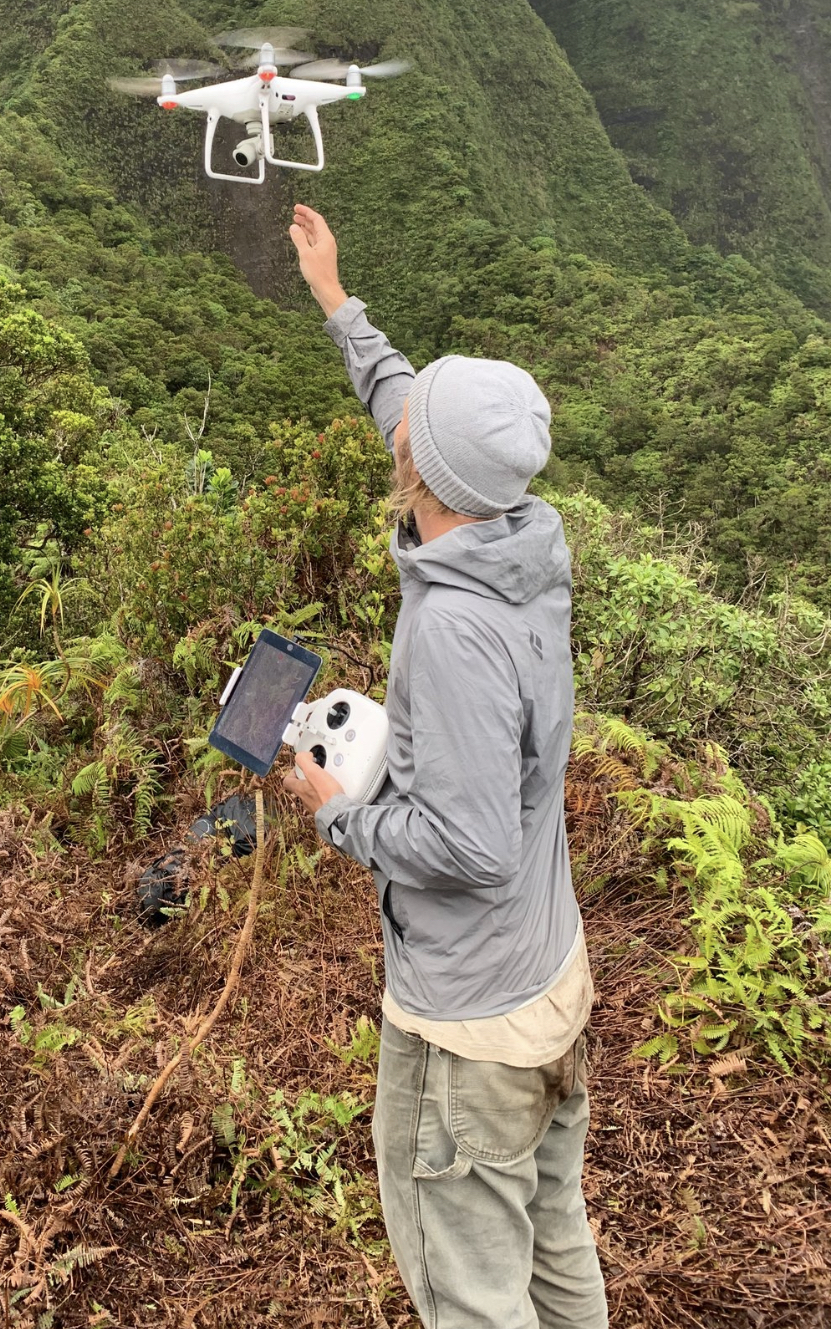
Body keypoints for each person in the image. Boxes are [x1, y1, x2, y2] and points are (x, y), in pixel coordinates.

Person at [282, 204, 607, 1329]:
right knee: (552, 1237)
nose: (400, 417)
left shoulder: (454, 632)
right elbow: (409, 404)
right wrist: (336, 297)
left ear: (424, 468)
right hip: (547, 975)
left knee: (473, 1289)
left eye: (411, 423)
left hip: (471, 1030)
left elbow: (467, 846)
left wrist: (339, 815)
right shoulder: (520, 532)